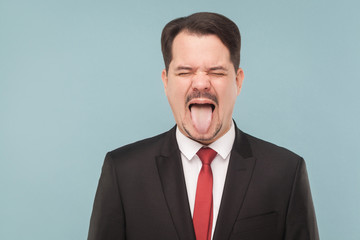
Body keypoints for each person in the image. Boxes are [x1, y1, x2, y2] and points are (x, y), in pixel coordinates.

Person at [88, 12, 319, 240]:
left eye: (216, 72)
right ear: (166, 81)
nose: (200, 83)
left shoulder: (286, 172)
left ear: (238, 81)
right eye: (185, 72)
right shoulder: (123, 172)